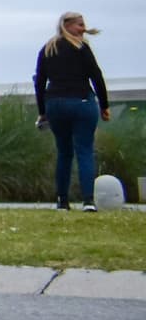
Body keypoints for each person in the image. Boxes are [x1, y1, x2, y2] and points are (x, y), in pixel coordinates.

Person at [35, 12, 108, 212]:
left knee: (64, 152)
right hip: (81, 101)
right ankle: (88, 201)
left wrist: (43, 111)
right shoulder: (81, 48)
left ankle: (62, 200)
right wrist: (104, 105)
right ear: (66, 26)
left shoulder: (47, 49)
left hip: (55, 104)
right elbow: (96, 76)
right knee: (84, 151)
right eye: (79, 25)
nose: (83, 29)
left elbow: (40, 82)